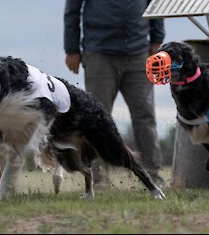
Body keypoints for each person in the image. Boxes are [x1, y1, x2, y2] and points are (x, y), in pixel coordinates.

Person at [64, 0, 165, 187]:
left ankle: (153, 177)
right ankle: (98, 180)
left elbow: (155, 4)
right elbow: (72, 10)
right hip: (98, 53)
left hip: (139, 52)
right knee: (94, 121)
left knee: (145, 115)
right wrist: (71, 49)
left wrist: (157, 38)